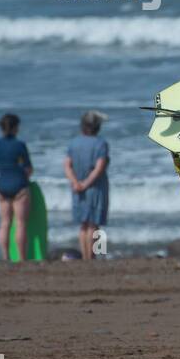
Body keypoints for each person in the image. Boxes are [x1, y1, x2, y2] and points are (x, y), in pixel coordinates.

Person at [64, 110, 110, 260]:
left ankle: (85, 257)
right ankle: (93, 256)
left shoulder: (73, 143)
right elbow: (99, 168)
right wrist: (85, 184)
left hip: (77, 188)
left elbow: (67, 165)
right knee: (94, 225)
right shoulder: (100, 143)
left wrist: (76, 183)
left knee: (83, 225)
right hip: (95, 188)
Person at [0, 113, 33, 261]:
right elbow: (28, 168)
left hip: (2, 185)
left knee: (5, 223)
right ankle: (22, 258)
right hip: (19, 185)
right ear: (16, 128)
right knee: (21, 223)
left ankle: (5, 257)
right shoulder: (19, 145)